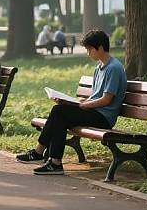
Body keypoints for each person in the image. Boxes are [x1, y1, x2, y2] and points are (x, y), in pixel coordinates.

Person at [16, 29, 127, 175]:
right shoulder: (99, 68)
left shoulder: (114, 68)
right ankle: (51, 160)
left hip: (103, 117)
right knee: (60, 111)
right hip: (94, 112)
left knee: (59, 113)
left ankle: (43, 155)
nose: (88, 53)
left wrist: (81, 105)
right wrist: (73, 102)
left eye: (89, 49)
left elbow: (106, 100)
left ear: (100, 48)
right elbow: (95, 96)